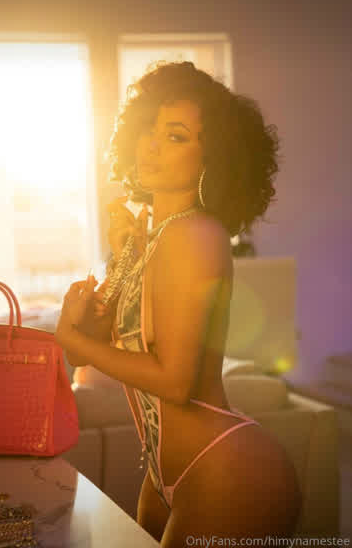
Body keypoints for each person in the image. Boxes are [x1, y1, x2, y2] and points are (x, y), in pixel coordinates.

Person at [55, 61, 302, 546]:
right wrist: (123, 255)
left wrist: (76, 342)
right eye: (149, 128)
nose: (152, 144)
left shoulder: (196, 234)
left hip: (228, 470)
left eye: (176, 136)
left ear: (214, 156)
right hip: (165, 475)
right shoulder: (155, 236)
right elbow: (98, 347)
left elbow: (175, 381)